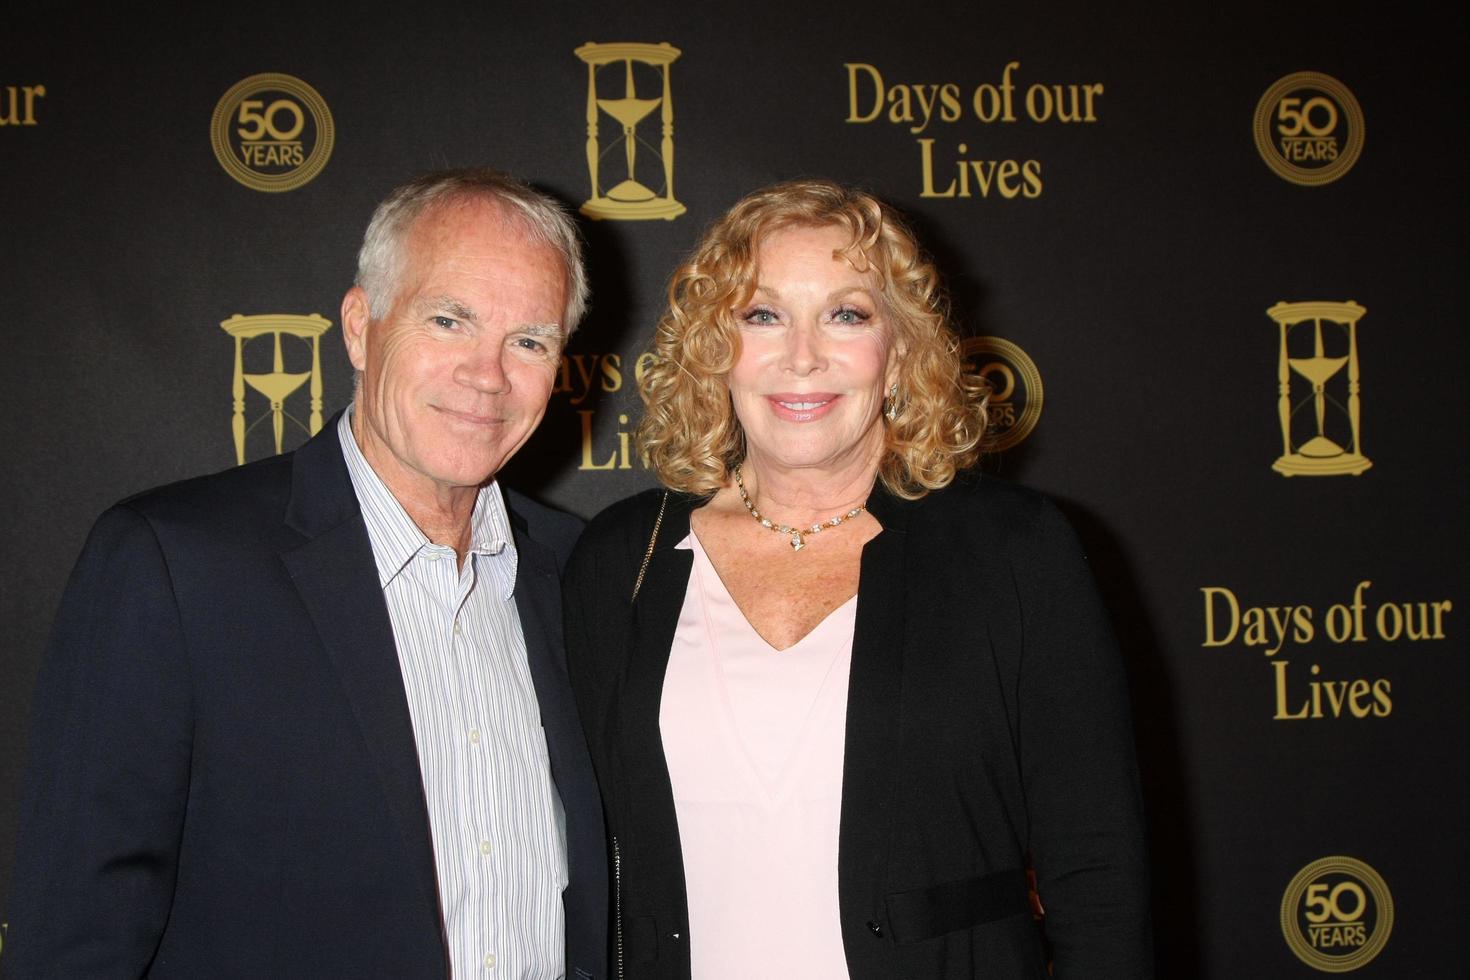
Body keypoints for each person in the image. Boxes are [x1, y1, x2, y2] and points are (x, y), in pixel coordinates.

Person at [3, 169, 606, 979]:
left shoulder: (578, 573)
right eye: (449, 319)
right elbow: (77, 936)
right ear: (361, 327)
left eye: (529, 340)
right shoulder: (173, 565)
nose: (487, 375)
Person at [564, 179, 1151, 979]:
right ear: (713, 345)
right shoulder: (619, 560)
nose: (801, 356)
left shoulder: (1014, 551)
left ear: (901, 349)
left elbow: (1098, 875)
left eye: (847, 314)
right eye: (762, 314)